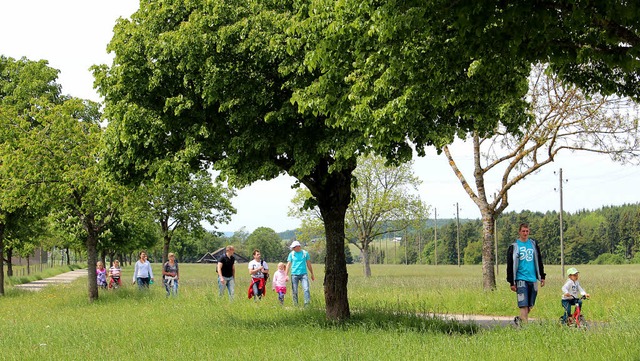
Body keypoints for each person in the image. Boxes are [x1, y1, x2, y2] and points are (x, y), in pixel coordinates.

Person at [506, 223, 546, 325]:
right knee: (523, 304)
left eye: (527, 231)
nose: (525, 233)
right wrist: (511, 282)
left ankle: (520, 320)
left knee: (530, 305)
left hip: (532, 278)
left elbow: (539, 260)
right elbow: (510, 265)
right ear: (519, 232)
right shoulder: (514, 246)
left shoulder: (533, 244)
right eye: (523, 231)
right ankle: (524, 327)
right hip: (520, 279)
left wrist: (542, 276)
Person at [286, 240, 315, 307]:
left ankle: (307, 305)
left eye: (294, 247)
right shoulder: (291, 254)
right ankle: (295, 305)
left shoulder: (305, 253)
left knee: (306, 289)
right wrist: (286, 275)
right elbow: (288, 264)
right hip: (294, 274)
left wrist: (312, 274)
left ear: (298, 247)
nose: (293, 249)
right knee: (294, 291)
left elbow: (308, 264)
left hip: (303, 274)